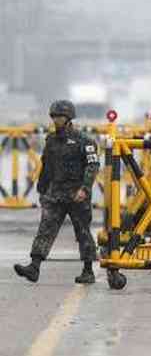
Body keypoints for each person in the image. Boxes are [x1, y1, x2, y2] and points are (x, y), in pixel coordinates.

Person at [14, 100, 99, 284]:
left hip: (77, 195)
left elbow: (93, 165)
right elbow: (47, 165)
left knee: (83, 232)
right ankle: (34, 267)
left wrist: (85, 188)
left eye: (59, 117)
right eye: (54, 117)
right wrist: (42, 188)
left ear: (69, 119)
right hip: (56, 194)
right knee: (45, 229)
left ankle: (88, 270)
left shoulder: (85, 141)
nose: (56, 120)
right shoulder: (51, 140)